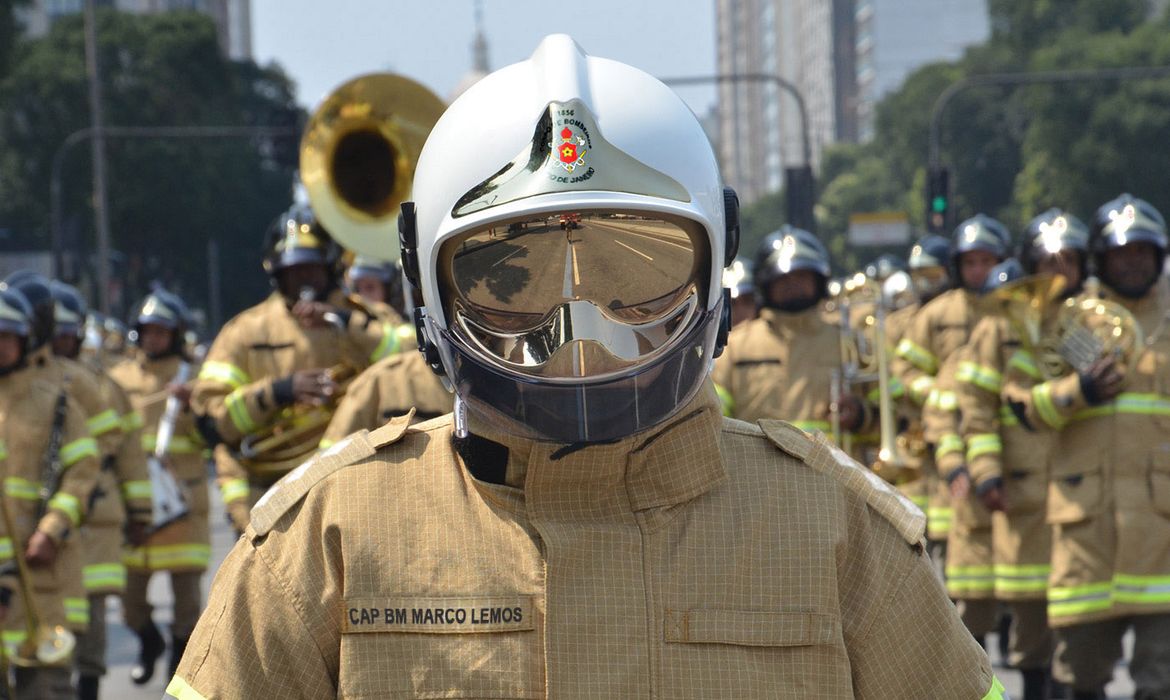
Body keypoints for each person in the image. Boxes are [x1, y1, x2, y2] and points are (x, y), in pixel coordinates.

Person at [168, 35, 1003, 699]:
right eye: (512, 279)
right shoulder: (326, 541)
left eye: (634, 272)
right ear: (426, 283)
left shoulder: (835, 530)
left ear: (717, 262)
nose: (581, 331)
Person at [1009, 194, 1170, 699]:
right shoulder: (1074, 324)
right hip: (1085, 535)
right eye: (1122, 252)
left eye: (1144, 251)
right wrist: (1078, 392)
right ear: (1101, 257)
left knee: (1160, 680)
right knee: (1079, 679)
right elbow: (1023, 404)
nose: (1134, 260)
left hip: (1159, 536)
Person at [190, 205, 395, 532]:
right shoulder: (244, 332)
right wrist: (278, 391)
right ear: (277, 273)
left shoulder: (369, 318)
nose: (304, 279)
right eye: (293, 270)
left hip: (361, 487)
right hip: (272, 494)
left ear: (331, 267)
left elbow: (415, 364)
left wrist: (345, 321)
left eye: (312, 269)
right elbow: (212, 422)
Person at [953, 209, 1089, 699]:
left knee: (1079, 619)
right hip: (1022, 488)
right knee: (1030, 619)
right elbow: (976, 406)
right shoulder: (999, 325)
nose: (1059, 269)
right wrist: (987, 473)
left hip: (1082, 487)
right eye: (1049, 259)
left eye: (1069, 259)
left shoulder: (1085, 323)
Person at [892, 215, 1009, 644]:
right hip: (943, 443)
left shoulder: (1015, 306)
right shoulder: (936, 314)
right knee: (952, 546)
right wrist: (936, 392)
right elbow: (904, 369)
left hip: (1004, 439)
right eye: (971, 262)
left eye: (988, 261)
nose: (980, 271)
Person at [48, 281, 153, 700]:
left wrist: (141, 512)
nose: (60, 340)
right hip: (36, 515)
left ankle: (88, 686)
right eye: (53, 330)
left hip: (98, 515)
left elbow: (128, 454)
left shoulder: (104, 386)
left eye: (67, 331)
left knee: (91, 614)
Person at [0, 283, 100, 699]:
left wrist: (52, 529)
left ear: (25, 339)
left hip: (42, 576)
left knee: (47, 689)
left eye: (5, 337)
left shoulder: (56, 403)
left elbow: (83, 473)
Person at [108, 290, 208, 686]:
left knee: (187, 607)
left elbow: (215, 436)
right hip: (137, 505)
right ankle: (148, 641)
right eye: (147, 331)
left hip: (181, 504)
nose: (153, 338)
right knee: (130, 604)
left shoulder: (195, 379)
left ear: (176, 334)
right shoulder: (118, 379)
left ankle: (176, 670)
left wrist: (192, 408)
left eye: (162, 332)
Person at [712, 225, 876, 444]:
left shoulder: (849, 341)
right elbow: (713, 417)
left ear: (819, 280)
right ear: (766, 284)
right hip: (756, 474)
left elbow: (893, 417)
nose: (793, 284)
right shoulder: (736, 347)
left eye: (801, 275)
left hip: (832, 474)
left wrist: (860, 415)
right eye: (783, 278)